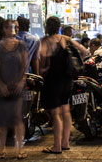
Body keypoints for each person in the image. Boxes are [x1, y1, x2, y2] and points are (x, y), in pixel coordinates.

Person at [36, 16, 89, 154]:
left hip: (53, 81)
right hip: (67, 81)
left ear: (47, 26)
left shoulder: (44, 41)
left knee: (55, 114)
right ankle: (65, 143)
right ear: (59, 26)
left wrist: (42, 71)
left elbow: (41, 62)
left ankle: (56, 146)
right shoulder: (65, 39)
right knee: (65, 111)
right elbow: (84, 51)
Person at [0, 20, 28, 158]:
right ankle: (1, 148)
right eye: (10, 27)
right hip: (3, 86)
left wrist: (21, 81)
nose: (13, 30)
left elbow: (25, 65)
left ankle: (20, 148)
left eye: (15, 27)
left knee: (17, 117)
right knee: (2, 119)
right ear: (4, 29)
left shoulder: (21, 45)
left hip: (17, 87)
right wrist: (0, 84)